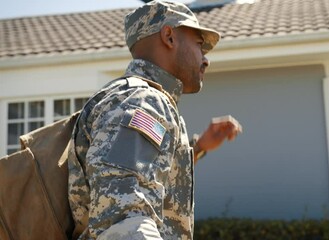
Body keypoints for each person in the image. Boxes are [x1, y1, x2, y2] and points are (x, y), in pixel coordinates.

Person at [67, 1, 242, 239]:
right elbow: (124, 218)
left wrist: (198, 147)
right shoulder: (142, 100)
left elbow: (146, 174)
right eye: (199, 45)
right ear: (169, 36)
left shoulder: (142, 99)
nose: (205, 59)